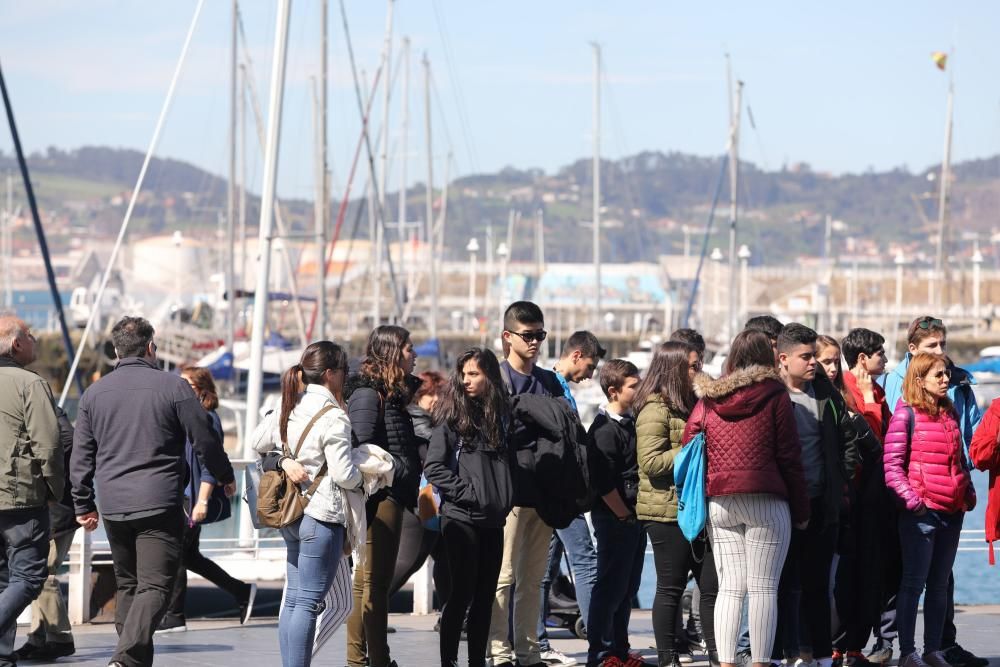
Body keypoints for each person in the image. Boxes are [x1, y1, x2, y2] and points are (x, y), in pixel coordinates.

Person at [71, 316, 235, 667]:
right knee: (156, 587)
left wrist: (83, 502)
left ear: (116, 351)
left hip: (113, 505)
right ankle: (124, 658)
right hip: (159, 502)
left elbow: (82, 455)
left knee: (129, 585)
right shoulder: (173, 387)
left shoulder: (93, 394)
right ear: (150, 348)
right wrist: (224, 475)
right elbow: (203, 438)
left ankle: (132, 661)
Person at [683, 329, 809, 667]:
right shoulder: (775, 395)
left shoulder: (709, 397)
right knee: (764, 588)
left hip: (720, 499)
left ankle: (725, 663)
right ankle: (760, 662)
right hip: (766, 498)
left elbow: (689, 441)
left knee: (730, 588)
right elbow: (789, 456)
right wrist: (801, 507)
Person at [878, 317, 985, 667]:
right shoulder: (905, 415)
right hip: (921, 513)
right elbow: (892, 465)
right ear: (919, 379)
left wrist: (966, 494)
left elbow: (960, 457)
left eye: (946, 373)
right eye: (939, 375)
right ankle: (907, 650)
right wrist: (914, 503)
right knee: (913, 583)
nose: (946, 380)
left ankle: (934, 648)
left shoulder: (950, 413)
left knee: (939, 585)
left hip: (951, 512)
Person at [256, 341, 362, 667]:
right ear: (330, 374)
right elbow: (344, 474)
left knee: (293, 600)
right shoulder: (334, 417)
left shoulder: (291, 406)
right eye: (343, 372)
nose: (345, 378)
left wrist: (285, 461)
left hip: (291, 514)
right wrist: (367, 476)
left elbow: (257, 442)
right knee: (308, 602)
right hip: (322, 515)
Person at [774, 324, 860, 667]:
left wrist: (841, 482)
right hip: (780, 506)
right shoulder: (771, 395)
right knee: (780, 588)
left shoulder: (825, 392)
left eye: (815, 356)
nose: (814, 364)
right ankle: (783, 655)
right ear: (783, 358)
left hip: (823, 505)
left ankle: (822, 656)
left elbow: (848, 439)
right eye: (805, 357)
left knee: (817, 588)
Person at [424, 348, 515, 667]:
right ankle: (448, 661)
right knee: (460, 595)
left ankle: (477, 661)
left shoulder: (502, 416)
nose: (466, 380)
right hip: (460, 517)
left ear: (490, 375)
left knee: (484, 599)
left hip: (493, 519)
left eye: (474, 374)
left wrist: (504, 497)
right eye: (463, 374)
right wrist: (470, 493)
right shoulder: (452, 416)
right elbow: (434, 467)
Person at [490, 301, 564, 667]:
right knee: (504, 577)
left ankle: (528, 651)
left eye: (541, 335)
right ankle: (499, 652)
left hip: (546, 492)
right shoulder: (496, 380)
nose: (535, 342)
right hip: (510, 492)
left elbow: (564, 429)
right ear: (508, 337)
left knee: (533, 580)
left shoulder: (549, 381)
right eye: (528, 335)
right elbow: (496, 435)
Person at [635, 342, 717, 667]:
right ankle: (668, 659)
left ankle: (717, 656)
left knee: (711, 587)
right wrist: (693, 450)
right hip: (665, 511)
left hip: (697, 508)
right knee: (670, 587)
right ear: (674, 369)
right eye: (693, 366)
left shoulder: (695, 404)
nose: (698, 371)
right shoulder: (654, 409)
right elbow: (651, 462)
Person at [345, 326, 422, 667]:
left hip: (392, 494)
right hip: (381, 498)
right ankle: (372, 660)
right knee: (372, 585)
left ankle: (363, 660)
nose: (414, 354)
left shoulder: (391, 392)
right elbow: (358, 445)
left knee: (368, 584)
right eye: (408, 349)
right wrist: (398, 471)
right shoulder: (368, 394)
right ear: (392, 351)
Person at [158, 367, 255, 633]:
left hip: (193, 499)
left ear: (202, 389)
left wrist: (202, 502)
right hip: (183, 495)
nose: (181, 388)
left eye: (187, 385)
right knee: (188, 556)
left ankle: (175, 617)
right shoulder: (187, 416)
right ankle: (241, 591)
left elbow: (210, 463)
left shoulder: (208, 418)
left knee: (176, 554)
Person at [538, 331, 605, 667]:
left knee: (544, 570)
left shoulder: (553, 384)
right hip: (561, 492)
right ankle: (599, 642)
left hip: (554, 491)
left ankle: (537, 641)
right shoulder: (550, 384)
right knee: (585, 561)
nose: (590, 375)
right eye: (590, 366)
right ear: (576, 355)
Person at [0, 316, 64, 667]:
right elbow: (49, 445)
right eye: (31, 335)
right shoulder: (30, 384)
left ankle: (2, 655)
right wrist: (56, 490)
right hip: (20, 495)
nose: (37, 340)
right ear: (17, 344)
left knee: (3, 578)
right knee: (28, 576)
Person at [832, 330, 896, 667]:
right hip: (851, 492)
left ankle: (857, 645)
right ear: (862, 358)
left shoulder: (878, 391)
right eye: (880, 354)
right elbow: (864, 439)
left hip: (875, 494)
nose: (885, 360)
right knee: (845, 574)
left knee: (871, 571)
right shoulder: (847, 388)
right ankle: (837, 643)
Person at [587, 359, 649, 667]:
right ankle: (600, 654)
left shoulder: (633, 422)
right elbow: (603, 484)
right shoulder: (603, 431)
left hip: (632, 518)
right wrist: (624, 515)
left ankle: (620, 651)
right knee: (609, 587)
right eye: (633, 386)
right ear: (614, 391)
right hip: (615, 518)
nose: (639, 390)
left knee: (627, 589)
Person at [16, 405, 76, 662]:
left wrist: (35, 466)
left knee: (44, 573)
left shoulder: (47, 410)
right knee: (37, 573)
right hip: (47, 507)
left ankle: (60, 637)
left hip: (55, 508)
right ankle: (39, 637)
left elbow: (66, 439)